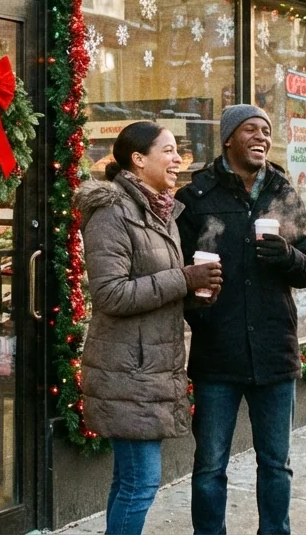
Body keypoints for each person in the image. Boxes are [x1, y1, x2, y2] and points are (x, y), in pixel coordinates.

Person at [176, 104, 306, 535]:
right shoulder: (195, 197)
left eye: (267, 131)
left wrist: (288, 256)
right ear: (228, 139)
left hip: (275, 351)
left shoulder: (284, 193)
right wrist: (197, 304)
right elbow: (175, 275)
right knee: (209, 466)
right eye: (251, 130)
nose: (262, 138)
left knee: (276, 465)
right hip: (217, 353)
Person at [75, 121, 223, 535]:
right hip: (128, 369)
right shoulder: (112, 211)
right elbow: (111, 294)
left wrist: (197, 290)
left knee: (129, 481)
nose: (179, 160)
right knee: (140, 483)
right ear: (139, 160)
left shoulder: (160, 211)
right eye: (170, 151)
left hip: (148, 367)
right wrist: (185, 280)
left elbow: (158, 285)